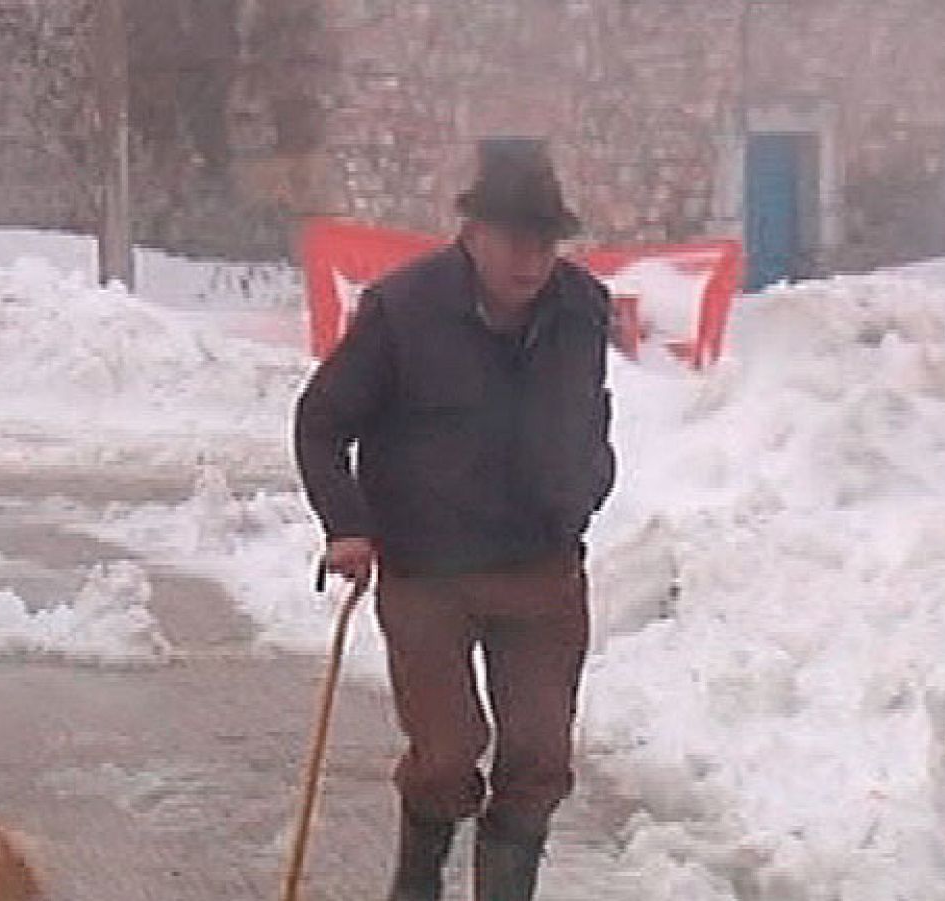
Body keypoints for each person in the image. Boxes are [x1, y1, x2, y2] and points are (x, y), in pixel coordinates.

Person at [293, 136, 617, 901]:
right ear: (472, 232)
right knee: (445, 755)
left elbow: (592, 415)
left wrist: (586, 486)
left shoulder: (581, 309)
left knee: (538, 757)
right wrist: (346, 522)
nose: (531, 261)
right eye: (514, 239)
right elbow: (321, 421)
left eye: (545, 242)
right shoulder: (403, 310)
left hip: (541, 569)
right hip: (426, 570)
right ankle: (416, 887)